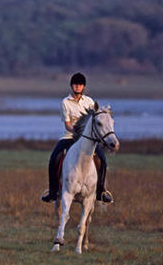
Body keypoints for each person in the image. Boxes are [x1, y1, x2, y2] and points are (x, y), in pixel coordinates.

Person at [41, 72, 113, 203]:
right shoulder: (65, 102)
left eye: (80, 84)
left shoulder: (89, 102)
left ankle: (101, 191)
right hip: (69, 136)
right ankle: (52, 191)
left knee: (102, 159)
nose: (77, 86)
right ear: (72, 86)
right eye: (75, 84)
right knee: (53, 158)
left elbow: (95, 120)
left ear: (83, 86)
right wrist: (77, 132)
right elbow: (67, 124)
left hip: (88, 139)